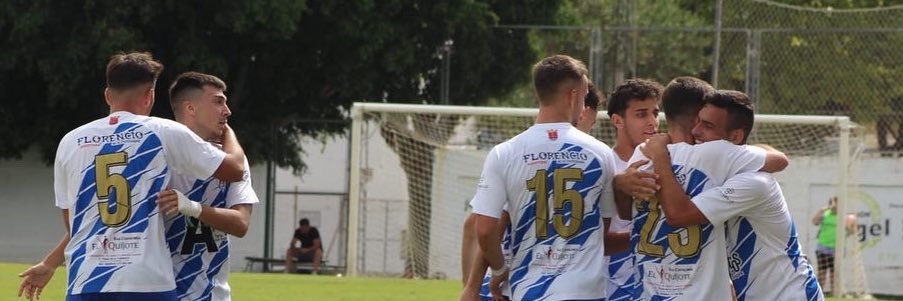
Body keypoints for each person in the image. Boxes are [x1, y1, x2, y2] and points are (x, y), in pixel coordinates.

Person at [17, 52, 248, 301]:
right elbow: (235, 169)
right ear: (150, 95)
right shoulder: (162, 131)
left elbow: (74, 222)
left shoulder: (71, 141)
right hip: (146, 280)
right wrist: (229, 134)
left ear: (108, 95)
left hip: (86, 280)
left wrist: (50, 263)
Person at [643, 90, 823, 300]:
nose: (696, 131)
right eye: (697, 121)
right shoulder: (716, 173)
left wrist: (660, 155)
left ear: (735, 137)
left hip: (790, 295)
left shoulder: (754, 183)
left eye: (708, 126)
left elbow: (679, 214)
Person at [470, 54, 619, 301]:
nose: (583, 106)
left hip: (529, 289)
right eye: (584, 97)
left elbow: (484, 230)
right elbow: (602, 227)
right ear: (572, 96)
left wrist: (499, 270)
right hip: (584, 291)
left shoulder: (504, 153)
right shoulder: (600, 153)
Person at [157, 72, 259, 301]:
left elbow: (241, 223)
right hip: (162, 293)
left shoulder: (232, 162)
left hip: (213, 295)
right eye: (218, 102)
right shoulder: (159, 156)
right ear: (191, 108)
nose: (227, 111)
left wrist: (192, 207)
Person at [603, 78, 662, 300]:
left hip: (657, 285)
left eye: (655, 113)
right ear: (617, 120)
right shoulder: (603, 165)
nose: (652, 122)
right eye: (641, 114)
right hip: (612, 286)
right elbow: (593, 240)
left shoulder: (666, 164)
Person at [811, 196, 856, 294]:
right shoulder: (825, 214)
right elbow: (814, 222)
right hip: (823, 247)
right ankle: (819, 293)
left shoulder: (845, 217)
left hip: (837, 249)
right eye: (833, 204)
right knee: (822, 272)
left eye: (837, 204)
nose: (834, 206)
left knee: (834, 273)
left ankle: (834, 293)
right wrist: (821, 210)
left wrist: (850, 227)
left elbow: (852, 231)